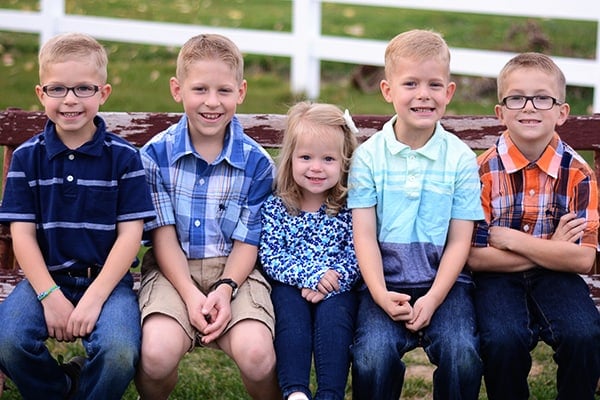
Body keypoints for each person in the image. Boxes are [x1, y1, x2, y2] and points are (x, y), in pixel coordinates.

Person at [0, 32, 155, 400]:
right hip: (45, 279)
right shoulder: (27, 158)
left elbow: (131, 235)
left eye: (84, 89)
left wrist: (94, 297)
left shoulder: (124, 158)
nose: (70, 100)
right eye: (57, 89)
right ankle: (61, 388)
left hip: (107, 282)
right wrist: (50, 295)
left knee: (119, 352)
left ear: (104, 93)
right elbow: (21, 235)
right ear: (41, 94)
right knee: (8, 341)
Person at [134, 33, 280, 400]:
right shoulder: (155, 156)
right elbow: (163, 236)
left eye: (224, 91)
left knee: (259, 355)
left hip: (236, 272)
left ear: (241, 92)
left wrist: (225, 289)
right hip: (172, 270)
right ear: (177, 89)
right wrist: (189, 294)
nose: (212, 103)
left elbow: (249, 240)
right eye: (199, 89)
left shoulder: (257, 163)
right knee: (154, 356)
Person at [347, 29, 484, 400]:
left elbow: (460, 240)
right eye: (410, 83)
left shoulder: (459, 159)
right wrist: (378, 293)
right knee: (372, 357)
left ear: (449, 92)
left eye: (434, 85)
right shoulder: (368, 157)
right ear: (388, 91)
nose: (423, 94)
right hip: (382, 282)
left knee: (462, 355)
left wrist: (435, 297)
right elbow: (363, 236)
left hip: (445, 284)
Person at [468, 52, 600, 400]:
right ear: (500, 112)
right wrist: (553, 248)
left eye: (542, 98)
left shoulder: (578, 173)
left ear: (562, 112)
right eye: (516, 98)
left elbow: (582, 261)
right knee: (502, 339)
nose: (529, 107)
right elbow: (476, 259)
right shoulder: (482, 171)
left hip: (558, 277)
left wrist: (511, 239)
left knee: (584, 333)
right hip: (496, 278)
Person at [259, 101, 360, 400]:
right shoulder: (278, 206)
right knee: (291, 320)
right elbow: (271, 255)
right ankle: (296, 392)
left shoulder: (348, 207)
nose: (316, 167)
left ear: (344, 162)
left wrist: (333, 279)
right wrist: (311, 275)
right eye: (305, 157)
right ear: (290, 159)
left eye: (328, 158)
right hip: (292, 285)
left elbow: (358, 251)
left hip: (337, 287)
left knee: (335, 323)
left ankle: (330, 393)